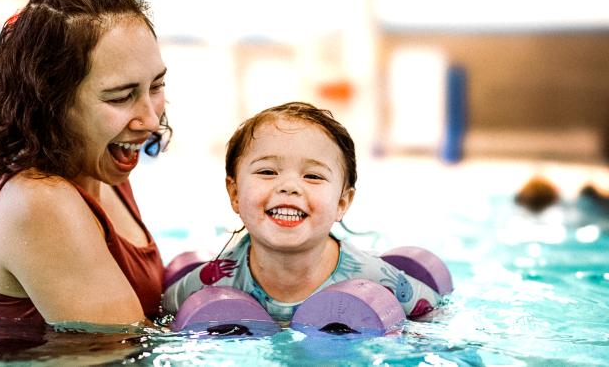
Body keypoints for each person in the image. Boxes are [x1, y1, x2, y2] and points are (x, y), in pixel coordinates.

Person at [0, 0, 169, 326]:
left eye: (156, 86)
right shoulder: (40, 204)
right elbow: (122, 347)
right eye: (120, 97)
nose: (151, 119)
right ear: (52, 103)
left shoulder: (104, 172)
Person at [163, 102, 441, 322]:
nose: (289, 186)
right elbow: (161, 320)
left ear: (342, 203)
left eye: (313, 176)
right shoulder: (209, 282)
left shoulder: (374, 279)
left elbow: (435, 318)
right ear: (234, 194)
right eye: (267, 171)